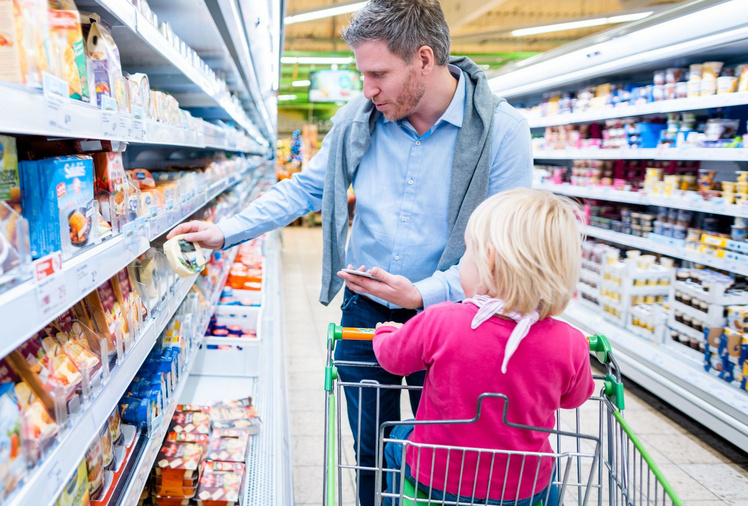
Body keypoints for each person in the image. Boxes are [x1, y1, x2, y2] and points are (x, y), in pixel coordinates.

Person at [168, 1, 532, 503]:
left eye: (378, 73)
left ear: (424, 60)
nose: (368, 90)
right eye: (362, 74)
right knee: (369, 453)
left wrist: (421, 294)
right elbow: (305, 190)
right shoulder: (360, 120)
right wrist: (227, 230)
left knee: (445, 458)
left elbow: (509, 249)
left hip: (457, 322)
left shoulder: (503, 132)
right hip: (365, 314)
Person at [373, 189, 595, 506]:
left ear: (488, 258)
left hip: (441, 478)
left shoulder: (440, 321)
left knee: (396, 439)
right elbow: (575, 398)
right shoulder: (571, 341)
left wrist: (386, 333)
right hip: (525, 489)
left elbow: (393, 359)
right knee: (548, 477)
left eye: (466, 252)